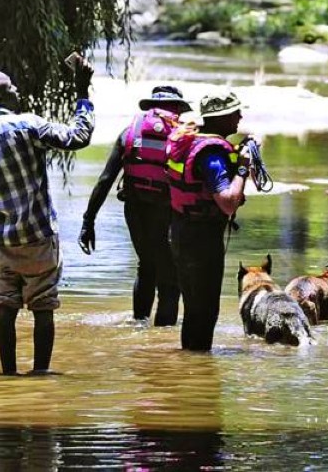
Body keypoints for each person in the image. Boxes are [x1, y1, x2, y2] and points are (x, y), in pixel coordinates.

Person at [0, 61, 95, 375]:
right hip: (39, 238)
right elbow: (79, 137)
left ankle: (9, 376)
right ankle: (41, 375)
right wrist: (82, 91)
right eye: (13, 87)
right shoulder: (27, 126)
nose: (18, 91)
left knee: (6, 306)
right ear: (2, 97)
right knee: (43, 307)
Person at [79, 85, 190, 326]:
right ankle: (160, 345)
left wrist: (88, 221)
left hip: (136, 210)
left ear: (150, 108)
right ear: (178, 109)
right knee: (170, 282)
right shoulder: (184, 138)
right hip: (168, 213)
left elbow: (105, 180)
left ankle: (139, 327)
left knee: (146, 265)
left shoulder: (130, 134)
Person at [165, 90, 253, 352]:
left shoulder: (191, 141)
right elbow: (227, 203)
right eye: (235, 112)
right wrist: (242, 167)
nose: (240, 116)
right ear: (221, 117)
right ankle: (199, 371)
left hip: (181, 230)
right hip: (201, 239)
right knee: (205, 310)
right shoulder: (213, 154)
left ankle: (187, 365)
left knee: (193, 308)